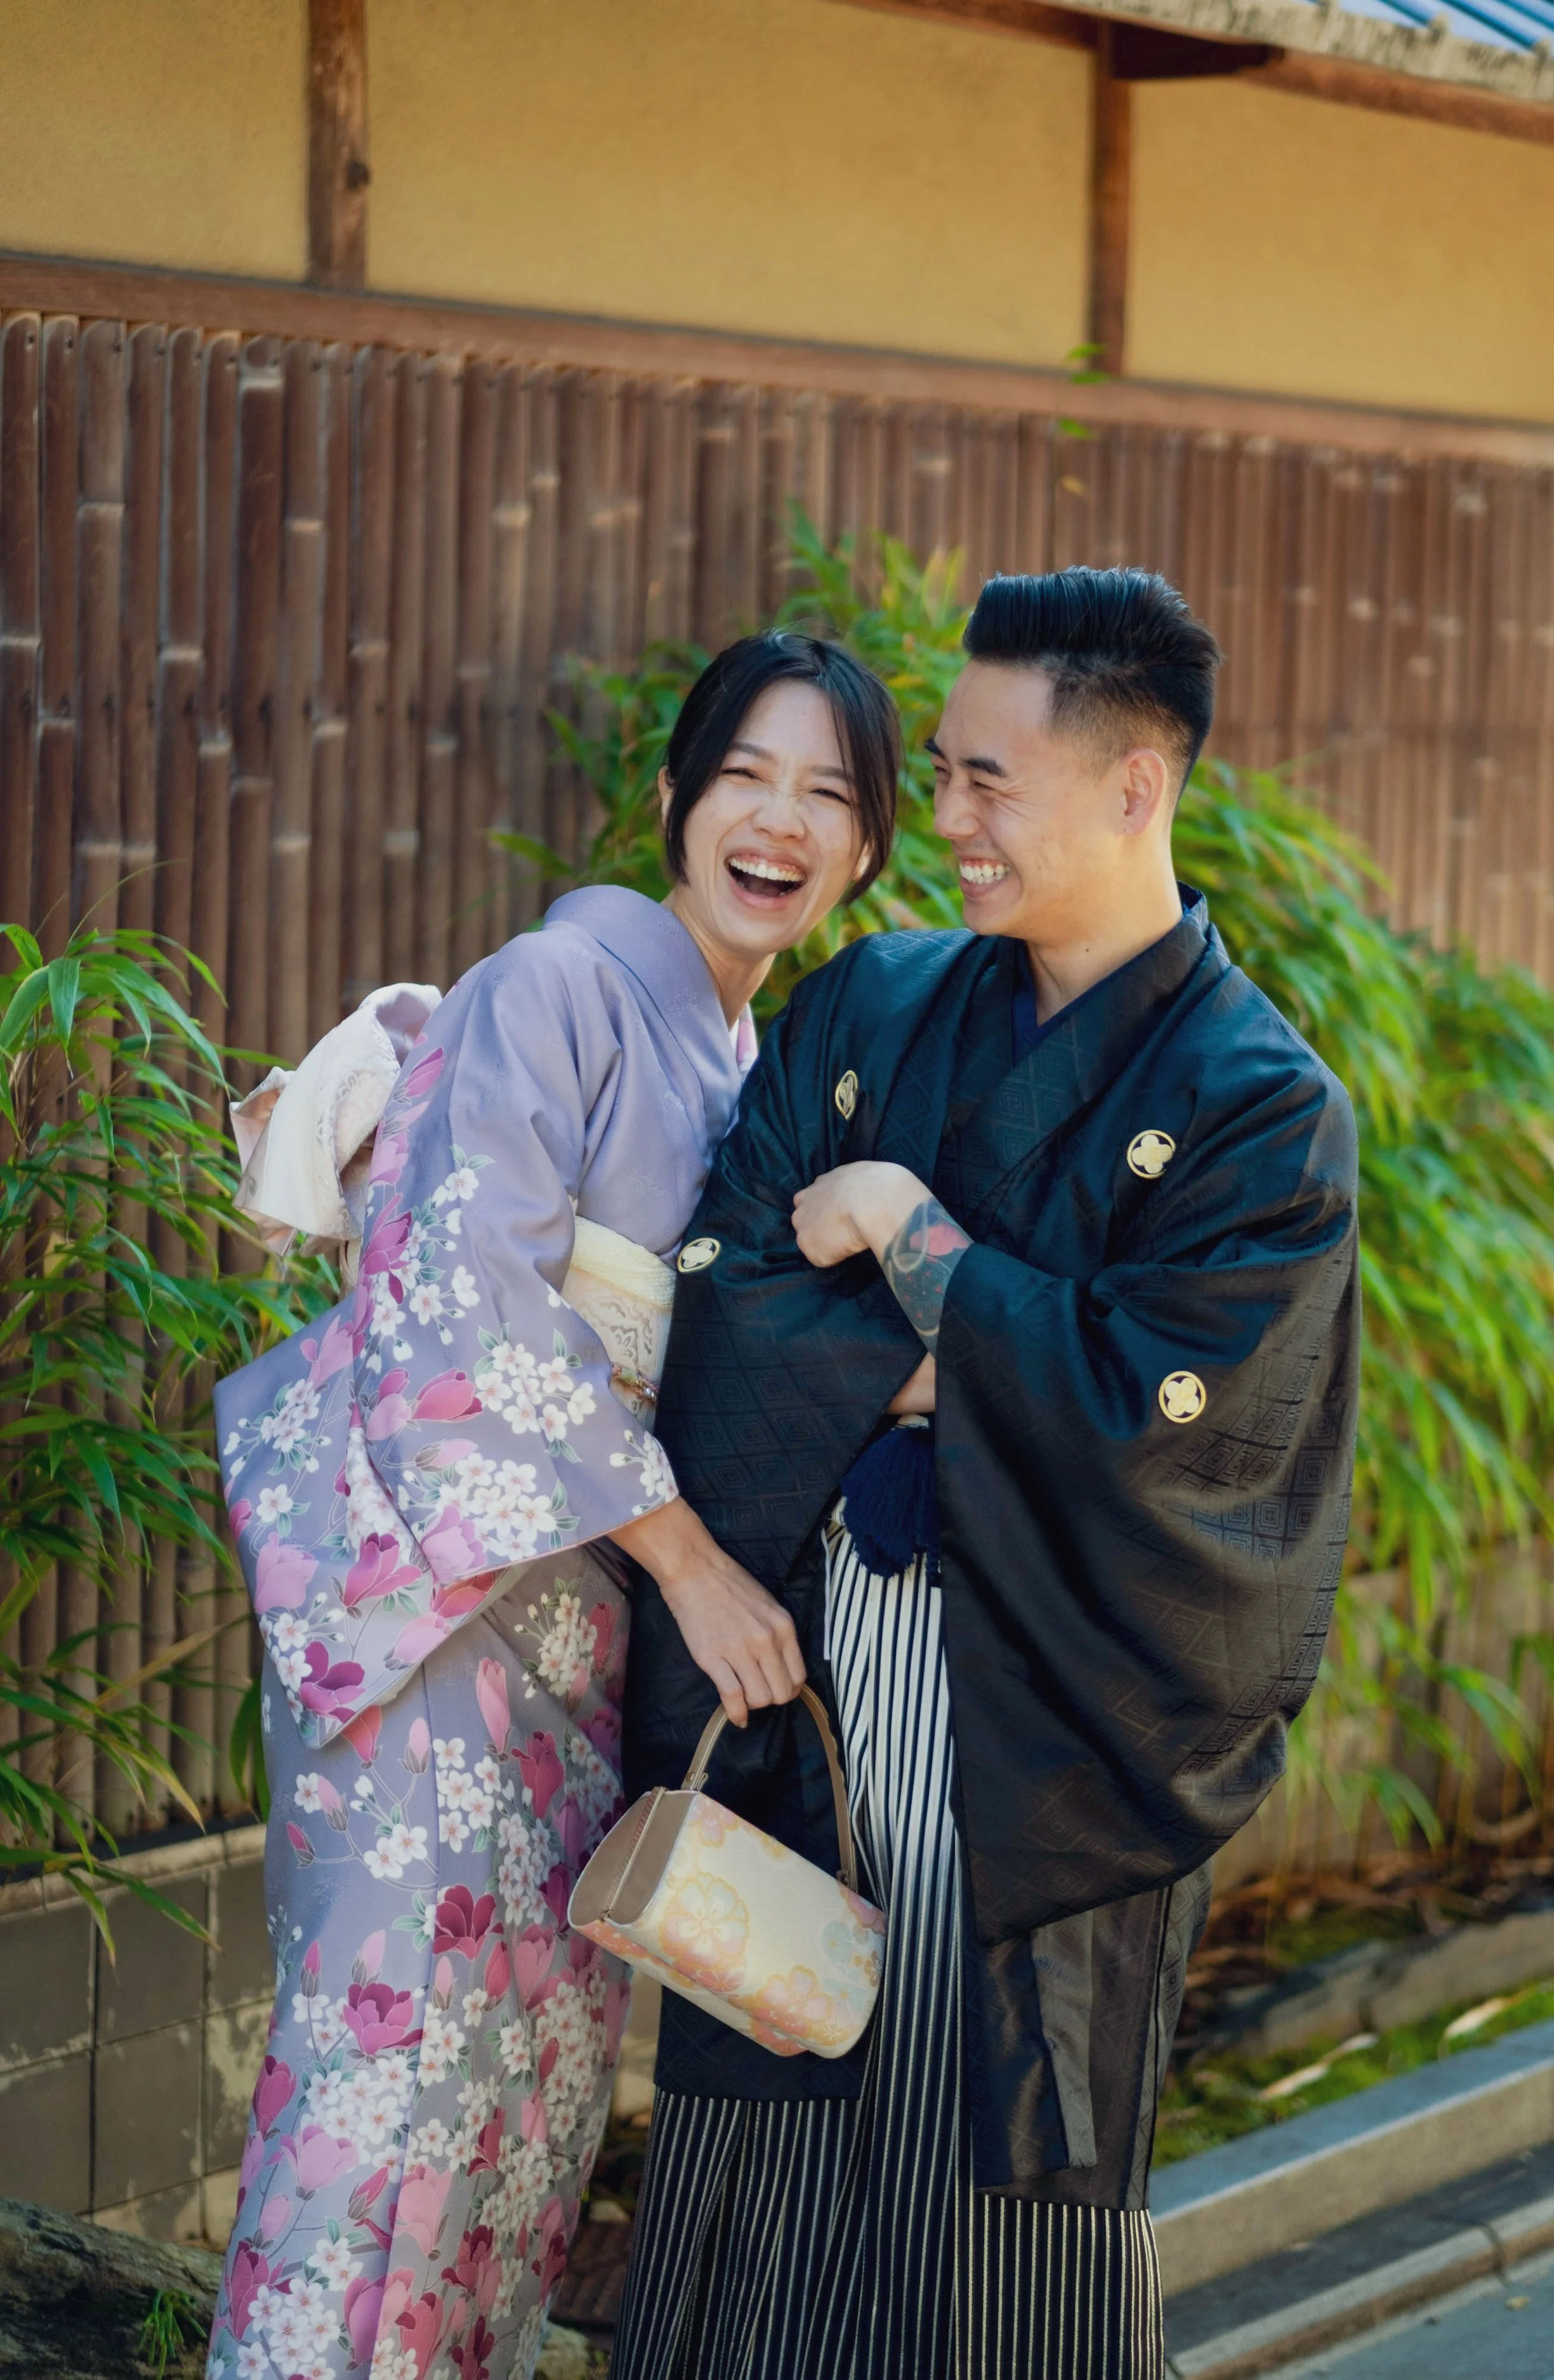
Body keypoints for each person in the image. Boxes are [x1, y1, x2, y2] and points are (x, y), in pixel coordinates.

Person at [611, 569, 1361, 2380]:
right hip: (804, 1665)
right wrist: (958, 1354)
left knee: (1004, 2172)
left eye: (982, 780)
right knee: (771, 2121)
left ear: (1130, 786)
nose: (935, 820)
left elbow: (1185, 1416)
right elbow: (724, 1290)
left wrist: (912, 1229)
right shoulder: (875, 1000)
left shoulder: (1262, 1107)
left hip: (1050, 1715)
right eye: (937, 773)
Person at [204, 631, 898, 2380]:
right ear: (672, 798)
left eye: (827, 793)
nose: (777, 819)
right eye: (744, 773)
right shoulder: (560, 983)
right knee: (390, 2091)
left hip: (577, 1642)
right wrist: (685, 1557)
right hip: (445, 1625)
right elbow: (461, 1303)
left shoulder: (748, 1064)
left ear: (870, 849)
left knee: (516, 2122)